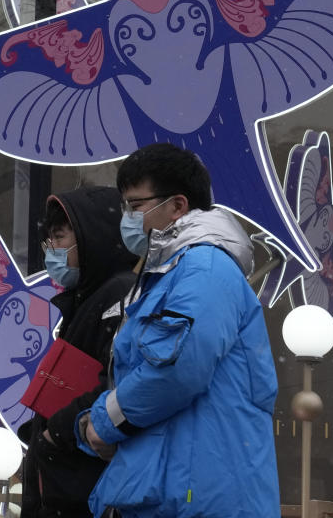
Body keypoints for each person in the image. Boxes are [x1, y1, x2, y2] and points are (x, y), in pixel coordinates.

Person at [76, 143, 279, 518]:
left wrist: (103, 422)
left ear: (178, 205)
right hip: (178, 492)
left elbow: (177, 371)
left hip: (201, 498)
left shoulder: (204, 269)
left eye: (136, 205)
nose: (128, 217)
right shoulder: (170, 274)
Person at [19, 186, 139, 518]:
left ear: (92, 237)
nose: (52, 250)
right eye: (49, 241)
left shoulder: (119, 294)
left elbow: (119, 380)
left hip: (84, 486)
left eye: (60, 238)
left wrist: (55, 432)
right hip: (67, 483)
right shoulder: (87, 297)